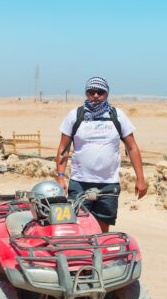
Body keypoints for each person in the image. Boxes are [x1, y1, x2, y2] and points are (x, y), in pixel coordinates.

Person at [55, 76, 147, 232]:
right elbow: (63, 149)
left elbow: (132, 148)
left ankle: (99, 256)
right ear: (86, 93)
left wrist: (141, 179)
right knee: (78, 228)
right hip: (79, 183)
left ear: (107, 94)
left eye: (100, 92)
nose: (96, 96)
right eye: (91, 92)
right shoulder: (75, 116)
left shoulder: (117, 116)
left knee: (102, 230)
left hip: (108, 184)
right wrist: (60, 177)